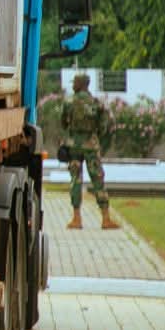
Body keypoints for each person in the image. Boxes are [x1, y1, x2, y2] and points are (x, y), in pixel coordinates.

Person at [58, 73, 117, 231]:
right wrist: (98, 139)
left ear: (81, 84)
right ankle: (105, 218)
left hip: (74, 146)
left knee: (75, 180)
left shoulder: (69, 101)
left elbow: (63, 122)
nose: (72, 85)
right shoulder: (96, 102)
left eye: (75, 82)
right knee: (98, 179)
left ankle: (76, 218)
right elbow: (105, 126)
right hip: (91, 145)